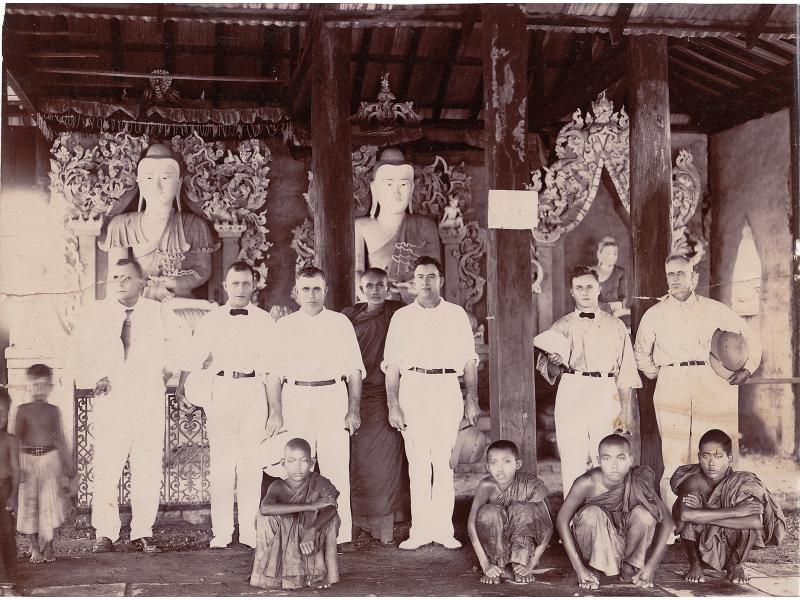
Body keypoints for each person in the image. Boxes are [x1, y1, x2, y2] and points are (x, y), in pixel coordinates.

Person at [69, 258, 187, 553]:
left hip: (146, 396)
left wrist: (169, 369)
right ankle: (105, 532)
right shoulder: (97, 313)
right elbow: (81, 349)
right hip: (112, 398)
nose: (120, 282)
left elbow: (180, 343)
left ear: (141, 282)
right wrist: (97, 375)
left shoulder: (157, 311)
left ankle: (142, 531)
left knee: (147, 465)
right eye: (115, 277)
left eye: (127, 277)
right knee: (108, 466)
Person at [634, 254, 762, 510]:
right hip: (671, 381)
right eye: (671, 273)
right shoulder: (654, 314)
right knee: (674, 455)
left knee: (714, 452)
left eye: (682, 273)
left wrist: (748, 368)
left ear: (694, 276)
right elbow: (641, 353)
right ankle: (674, 521)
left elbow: (751, 338)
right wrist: (662, 375)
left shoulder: (715, 309)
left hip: (710, 381)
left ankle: (715, 518)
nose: (676, 278)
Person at [176, 261, 276, 549]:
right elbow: (192, 357)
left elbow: (273, 367)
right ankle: (221, 532)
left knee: (250, 465)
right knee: (221, 463)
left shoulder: (265, 320)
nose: (241, 289)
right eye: (236, 283)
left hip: (254, 391)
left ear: (254, 285)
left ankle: (248, 531)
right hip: (221, 391)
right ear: (226, 286)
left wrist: (273, 407)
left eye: (246, 283)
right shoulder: (212, 319)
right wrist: (182, 390)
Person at [383, 256, 480, 550]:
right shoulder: (402, 317)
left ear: (441, 280)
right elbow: (392, 366)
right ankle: (420, 530)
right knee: (418, 463)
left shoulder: (456, 315)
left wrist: (472, 397)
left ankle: (443, 529)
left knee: (443, 461)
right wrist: (393, 404)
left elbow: (468, 361)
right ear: (414, 282)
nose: (425, 282)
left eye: (431, 276)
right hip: (413, 388)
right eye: (420, 277)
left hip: (446, 387)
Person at [267, 267, 365, 546]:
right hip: (296, 396)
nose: (311, 295)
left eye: (317, 289)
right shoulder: (285, 326)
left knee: (336, 466)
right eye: (305, 289)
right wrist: (276, 411)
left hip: (332, 396)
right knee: (296, 467)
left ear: (326, 291)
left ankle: (338, 533)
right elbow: (273, 374)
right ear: (296, 293)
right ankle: (297, 532)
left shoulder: (340, 323)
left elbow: (355, 371)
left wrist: (353, 409)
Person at [537, 266, 640, 494]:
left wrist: (625, 411)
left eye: (590, 287)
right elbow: (548, 371)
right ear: (572, 292)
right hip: (572, 388)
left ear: (599, 289)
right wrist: (554, 361)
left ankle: (603, 520)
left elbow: (626, 372)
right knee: (572, 456)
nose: (585, 292)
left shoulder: (616, 325)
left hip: (605, 389)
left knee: (605, 457)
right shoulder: (561, 326)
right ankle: (573, 524)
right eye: (579, 288)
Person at [99, 143, 217, 301]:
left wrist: (174, 282)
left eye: (166, 177)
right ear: (139, 183)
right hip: (138, 302)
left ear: (178, 184)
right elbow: (117, 275)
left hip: (180, 301)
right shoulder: (121, 226)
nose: (157, 185)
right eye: (149, 178)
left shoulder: (194, 225)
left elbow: (203, 270)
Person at [341, 268, 407, 546]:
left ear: (388, 287)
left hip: (386, 395)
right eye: (369, 286)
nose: (376, 290)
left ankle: (386, 522)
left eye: (381, 285)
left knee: (387, 463)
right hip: (355, 394)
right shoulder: (349, 316)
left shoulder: (398, 313)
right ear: (361, 289)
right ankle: (357, 521)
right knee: (356, 461)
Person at [556, 434, 673, 590]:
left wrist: (651, 566)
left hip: (624, 540)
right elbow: (561, 521)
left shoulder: (638, 479)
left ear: (631, 459)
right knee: (591, 513)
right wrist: (579, 568)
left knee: (645, 515)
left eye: (621, 458)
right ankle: (594, 568)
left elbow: (668, 523)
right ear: (598, 461)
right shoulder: (586, 483)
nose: (614, 465)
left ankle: (629, 567)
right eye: (606, 458)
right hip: (595, 543)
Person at [671, 429, 786, 585]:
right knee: (683, 509)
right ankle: (695, 564)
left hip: (731, 542)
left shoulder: (741, 482)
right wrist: (735, 512)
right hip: (699, 542)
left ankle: (735, 565)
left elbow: (755, 522)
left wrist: (705, 517)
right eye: (706, 456)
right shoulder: (693, 481)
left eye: (718, 457)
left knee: (744, 522)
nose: (712, 464)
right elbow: (685, 516)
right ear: (699, 457)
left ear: (729, 458)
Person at [250, 438, 340, 590]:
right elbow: (265, 508)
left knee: (331, 519)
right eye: (291, 461)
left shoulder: (320, 482)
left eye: (303, 461)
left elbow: (331, 508)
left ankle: (319, 575)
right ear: (283, 463)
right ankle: (272, 577)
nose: (297, 467)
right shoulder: (278, 486)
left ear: (312, 463)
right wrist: (310, 506)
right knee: (262, 517)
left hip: (311, 533)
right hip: (285, 534)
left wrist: (312, 530)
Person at [354, 147, 441, 303]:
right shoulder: (360, 227)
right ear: (374, 188)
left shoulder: (424, 226)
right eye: (388, 184)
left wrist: (416, 288)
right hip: (376, 303)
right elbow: (356, 272)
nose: (396, 192)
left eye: (403, 184)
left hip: (417, 306)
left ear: (412, 188)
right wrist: (374, 296)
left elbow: (435, 275)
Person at [467, 440, 552, 585]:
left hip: (522, 539)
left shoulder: (529, 484)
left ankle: (520, 563)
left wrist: (531, 564)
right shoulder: (486, 485)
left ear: (517, 464)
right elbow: (471, 524)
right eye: (494, 463)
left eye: (506, 461)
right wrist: (485, 564)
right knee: (489, 511)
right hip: (495, 539)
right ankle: (496, 565)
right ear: (487, 467)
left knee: (525, 509)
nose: (500, 469)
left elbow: (548, 526)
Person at [14, 364, 73, 563]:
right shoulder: (22, 411)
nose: (39, 390)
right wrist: (17, 468)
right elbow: (16, 440)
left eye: (43, 386)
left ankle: (49, 545)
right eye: (35, 386)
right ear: (28, 386)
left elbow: (61, 440)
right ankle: (34, 547)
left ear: (50, 387)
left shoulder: (53, 411)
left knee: (50, 504)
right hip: (28, 463)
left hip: (50, 460)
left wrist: (69, 467)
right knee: (29, 505)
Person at [0, 389, 19, 596]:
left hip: (4, 490)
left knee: (6, 535)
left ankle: (7, 586)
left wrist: (13, 494)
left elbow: (17, 471)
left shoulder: (10, 440)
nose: (0, 417)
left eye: (4, 412)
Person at [594, 237, 629, 320]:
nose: (612, 257)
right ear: (599, 254)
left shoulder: (620, 272)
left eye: (615, 253)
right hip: (597, 311)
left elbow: (623, 296)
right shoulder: (592, 272)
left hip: (616, 310)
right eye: (608, 253)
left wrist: (619, 306)